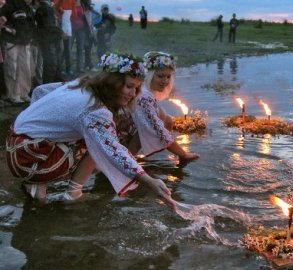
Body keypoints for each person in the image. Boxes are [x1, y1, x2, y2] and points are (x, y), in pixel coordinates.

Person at [6, 52, 176, 210]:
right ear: (113, 82)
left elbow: (39, 91)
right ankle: (70, 193)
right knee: (97, 143)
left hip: (16, 145)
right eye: (129, 87)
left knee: (99, 135)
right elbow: (113, 150)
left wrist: (40, 124)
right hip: (30, 160)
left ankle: (40, 182)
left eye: (136, 88)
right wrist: (148, 180)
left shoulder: (81, 84)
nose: (133, 94)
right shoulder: (96, 111)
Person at [128, 51, 200, 161]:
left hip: (127, 129)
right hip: (118, 133)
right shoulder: (144, 96)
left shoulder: (143, 89)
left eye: (168, 76)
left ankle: (129, 155)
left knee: (165, 117)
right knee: (155, 122)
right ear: (149, 75)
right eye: (160, 76)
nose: (165, 81)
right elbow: (158, 130)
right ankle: (125, 158)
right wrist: (183, 154)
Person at [0, 0, 36, 104]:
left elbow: (31, 22)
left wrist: (30, 36)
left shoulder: (26, 6)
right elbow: (2, 21)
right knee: (12, 68)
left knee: (25, 68)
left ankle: (24, 93)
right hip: (11, 42)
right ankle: (13, 95)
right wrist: (10, 30)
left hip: (25, 41)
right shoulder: (7, 6)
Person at [35, 0, 62, 83]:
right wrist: (60, 32)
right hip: (47, 39)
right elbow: (48, 25)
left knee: (46, 64)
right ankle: (47, 83)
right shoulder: (45, 8)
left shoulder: (43, 8)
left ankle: (45, 82)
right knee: (50, 64)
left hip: (45, 39)